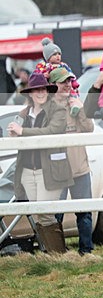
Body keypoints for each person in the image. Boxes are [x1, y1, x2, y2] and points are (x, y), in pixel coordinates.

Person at [7, 72, 73, 253]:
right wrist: (14, 133)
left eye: (43, 88)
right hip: (27, 171)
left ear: (48, 90)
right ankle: (50, 255)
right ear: (30, 93)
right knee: (37, 215)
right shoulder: (23, 113)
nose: (40, 93)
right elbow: (18, 135)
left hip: (50, 170)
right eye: (36, 90)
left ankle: (58, 255)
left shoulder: (58, 110)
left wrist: (23, 132)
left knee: (45, 213)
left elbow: (52, 131)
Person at [50, 66, 95, 255]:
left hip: (79, 168)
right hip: (56, 170)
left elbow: (89, 128)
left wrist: (80, 111)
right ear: (53, 85)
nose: (67, 85)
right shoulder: (47, 108)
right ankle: (56, 251)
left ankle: (86, 251)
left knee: (84, 213)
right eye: (63, 82)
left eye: (69, 81)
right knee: (55, 213)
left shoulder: (76, 104)